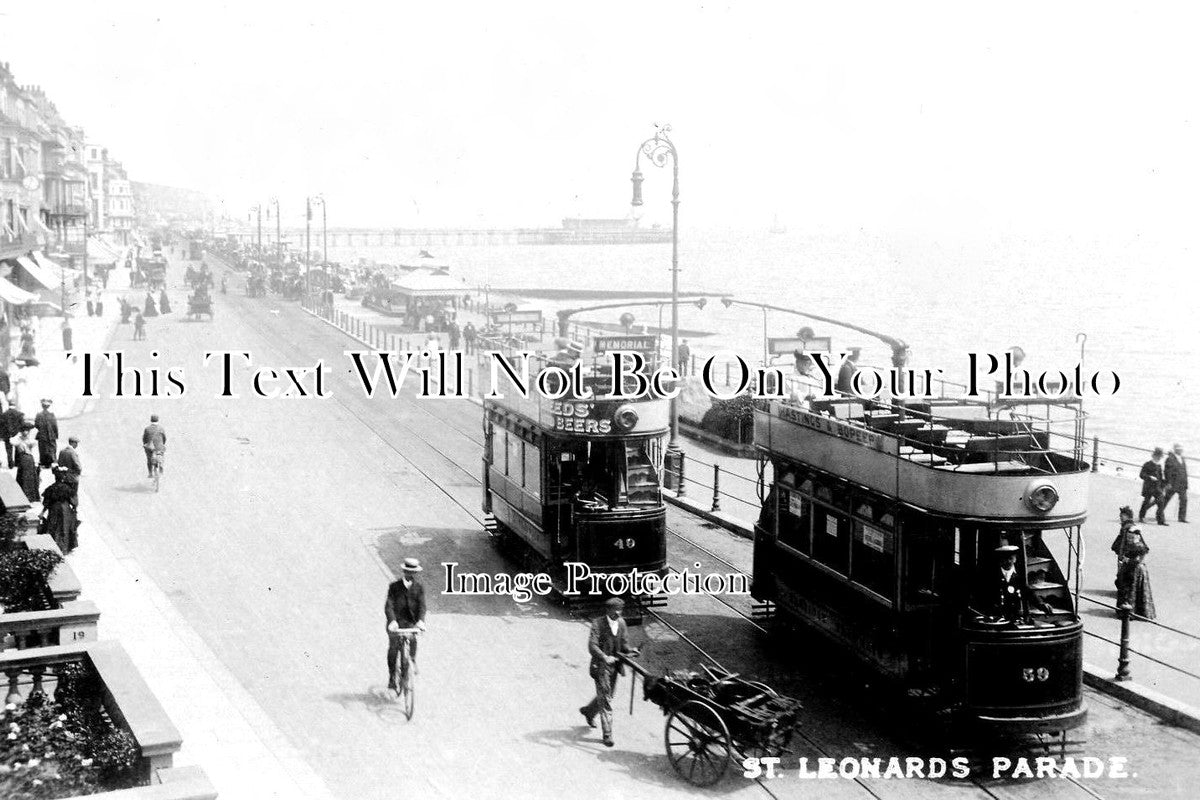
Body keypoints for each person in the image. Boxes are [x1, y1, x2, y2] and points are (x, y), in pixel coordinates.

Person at [579, 597, 637, 747]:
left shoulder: (622, 623)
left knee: (607, 695)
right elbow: (592, 646)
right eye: (615, 610)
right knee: (606, 699)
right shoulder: (597, 624)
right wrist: (604, 657)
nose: (618, 613)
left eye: (620, 610)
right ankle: (607, 735)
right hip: (600, 667)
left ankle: (589, 711)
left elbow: (624, 646)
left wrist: (631, 651)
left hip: (614, 668)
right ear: (608, 610)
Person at [385, 558, 427, 689]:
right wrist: (392, 621)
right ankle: (392, 676)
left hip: (410, 623)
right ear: (404, 571)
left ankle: (410, 663)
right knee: (393, 648)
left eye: (414, 572)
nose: (411, 575)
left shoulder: (419, 588)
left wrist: (420, 621)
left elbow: (422, 606)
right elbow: (389, 605)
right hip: (396, 623)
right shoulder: (394, 587)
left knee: (413, 641)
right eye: (408, 571)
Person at [978, 544, 1052, 620]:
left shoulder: (1018, 576)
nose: (1008, 561)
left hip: (1014, 618)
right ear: (1000, 560)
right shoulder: (991, 576)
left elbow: (1028, 592)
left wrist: (1041, 604)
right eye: (1005, 559)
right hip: (996, 618)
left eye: (1011, 558)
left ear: (1015, 559)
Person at [1112, 509, 1155, 619]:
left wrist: (1126, 559)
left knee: (1130, 588)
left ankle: (1128, 613)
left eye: (1122, 515)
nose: (1129, 539)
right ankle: (1130, 611)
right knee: (1128, 588)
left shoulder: (1135, 541)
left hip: (1134, 569)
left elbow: (1139, 557)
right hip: (1130, 567)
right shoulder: (1130, 529)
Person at [40, 469, 79, 554]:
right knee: (64, 528)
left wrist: (42, 512)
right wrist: (74, 508)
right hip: (65, 510)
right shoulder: (67, 488)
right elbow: (74, 502)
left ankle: (53, 548)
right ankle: (64, 548)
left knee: (53, 527)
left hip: (53, 509)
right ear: (63, 478)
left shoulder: (51, 488)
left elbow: (46, 502)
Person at [1138, 447, 1168, 526]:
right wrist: (1150, 477)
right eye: (1158, 456)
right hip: (1148, 487)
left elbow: (1161, 478)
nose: (1159, 458)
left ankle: (1161, 520)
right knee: (1146, 502)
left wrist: (1165, 484)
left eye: (1160, 457)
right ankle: (1141, 517)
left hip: (1157, 488)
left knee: (1161, 502)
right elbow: (1141, 475)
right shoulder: (1147, 464)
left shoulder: (1159, 466)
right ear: (1154, 456)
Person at [14, 424, 40, 502]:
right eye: (24, 431)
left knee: (28, 477)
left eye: (27, 431)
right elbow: (13, 441)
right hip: (25, 459)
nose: (26, 433)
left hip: (28, 459)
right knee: (25, 477)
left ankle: (28, 496)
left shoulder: (29, 440)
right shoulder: (19, 440)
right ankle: (28, 496)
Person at [1163, 444, 1189, 524]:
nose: (1181, 450)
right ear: (1175, 450)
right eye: (1179, 449)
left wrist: (1186, 483)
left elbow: (1184, 472)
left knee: (1184, 500)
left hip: (1182, 484)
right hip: (1173, 483)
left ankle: (1181, 518)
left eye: (1181, 449)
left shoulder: (1182, 458)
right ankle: (1159, 513)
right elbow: (1167, 472)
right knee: (1166, 499)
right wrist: (1168, 483)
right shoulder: (1170, 459)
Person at [57, 435, 82, 505]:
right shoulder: (73, 452)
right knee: (73, 494)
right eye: (76, 443)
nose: (77, 445)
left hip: (63, 476)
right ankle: (74, 508)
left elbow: (59, 463)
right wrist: (78, 472)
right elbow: (78, 466)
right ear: (73, 443)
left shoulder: (62, 451)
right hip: (72, 477)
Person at [34, 398, 58, 471]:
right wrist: (56, 434)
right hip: (51, 435)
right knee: (52, 448)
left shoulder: (39, 415)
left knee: (42, 449)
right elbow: (55, 426)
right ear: (48, 407)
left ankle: (44, 462)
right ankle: (52, 462)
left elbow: (36, 425)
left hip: (42, 435)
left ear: (42, 406)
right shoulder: (52, 415)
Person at [1, 393, 22, 468]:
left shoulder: (4, 414)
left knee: (9, 450)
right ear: (14, 405)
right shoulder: (19, 414)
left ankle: (10, 464)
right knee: (17, 449)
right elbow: (22, 425)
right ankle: (17, 463)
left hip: (7, 435)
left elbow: (1, 426)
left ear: (9, 404)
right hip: (16, 434)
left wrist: (2, 435)